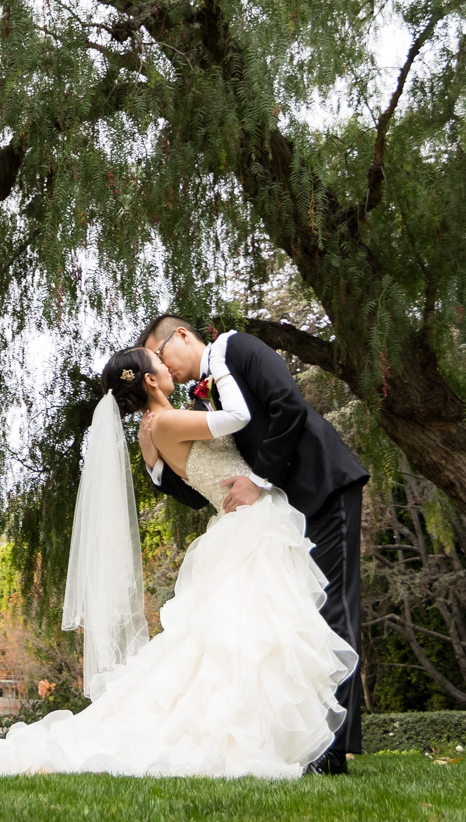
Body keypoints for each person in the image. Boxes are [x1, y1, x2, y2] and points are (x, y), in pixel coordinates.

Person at [0, 348, 356, 778]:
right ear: (150, 379)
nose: (167, 365)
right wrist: (220, 369)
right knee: (256, 637)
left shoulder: (148, 430)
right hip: (250, 526)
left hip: (237, 526)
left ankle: (266, 732)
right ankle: (253, 733)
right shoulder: (168, 420)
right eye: (160, 362)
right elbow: (239, 420)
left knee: (239, 641)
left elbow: (167, 478)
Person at [138, 315, 370, 774]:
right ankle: (304, 739)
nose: (165, 368)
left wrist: (259, 480)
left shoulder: (239, 349)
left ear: (181, 336)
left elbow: (288, 405)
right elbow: (207, 483)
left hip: (322, 486)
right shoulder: (197, 396)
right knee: (297, 618)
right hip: (282, 514)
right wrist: (157, 469)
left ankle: (334, 750)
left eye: (160, 356)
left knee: (334, 611)